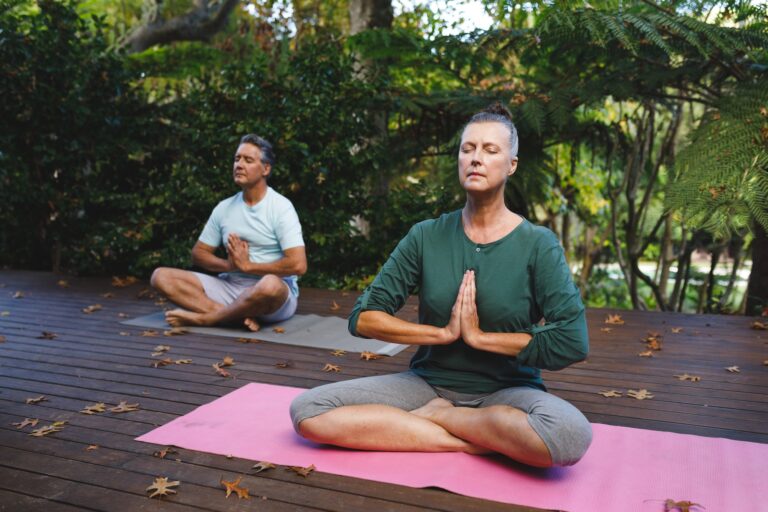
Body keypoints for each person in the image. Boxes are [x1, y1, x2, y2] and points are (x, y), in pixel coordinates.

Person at [289, 104, 592, 468]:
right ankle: (476, 442)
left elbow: (572, 341)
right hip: (426, 384)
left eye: (490, 150)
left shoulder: (538, 244)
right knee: (309, 411)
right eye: (468, 149)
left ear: (511, 164)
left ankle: (440, 419)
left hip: (506, 392)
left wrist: (480, 338)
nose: (476, 158)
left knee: (568, 434)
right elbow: (364, 318)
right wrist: (442, 333)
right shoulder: (426, 235)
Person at [151, 134, 307, 332]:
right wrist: (229, 265)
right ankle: (234, 317)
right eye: (237, 159)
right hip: (230, 286)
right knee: (160, 277)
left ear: (266, 169)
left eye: (248, 160)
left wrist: (249, 267)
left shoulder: (281, 207)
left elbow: (299, 265)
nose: (239, 165)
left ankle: (207, 319)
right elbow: (198, 254)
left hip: (274, 296)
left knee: (269, 285)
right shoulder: (224, 208)